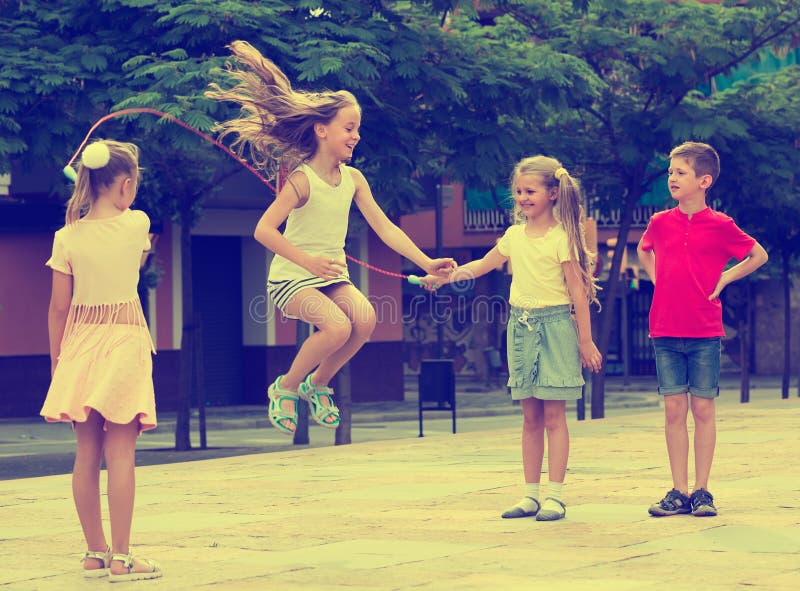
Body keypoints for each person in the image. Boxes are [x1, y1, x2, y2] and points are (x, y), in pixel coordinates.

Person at [207, 41, 455, 434]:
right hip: (291, 279)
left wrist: (426, 263)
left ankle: (317, 383)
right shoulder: (302, 180)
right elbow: (263, 230)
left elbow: (385, 227)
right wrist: (308, 262)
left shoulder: (353, 180)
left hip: (329, 276)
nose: (356, 136)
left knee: (365, 319)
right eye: (349, 128)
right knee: (337, 327)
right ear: (322, 130)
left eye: (358, 129)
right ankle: (285, 387)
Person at [421, 155, 602, 521]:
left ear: (553, 193)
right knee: (529, 416)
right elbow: (483, 265)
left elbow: (578, 293)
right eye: (518, 191)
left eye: (530, 191)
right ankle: (530, 495)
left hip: (555, 327)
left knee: (554, 415)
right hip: (519, 328)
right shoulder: (514, 235)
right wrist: (445, 276)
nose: (522, 197)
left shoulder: (562, 237)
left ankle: (556, 496)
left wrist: (585, 340)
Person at [41, 140, 162, 582]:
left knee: (86, 451)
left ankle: (94, 553)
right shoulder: (138, 224)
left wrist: (59, 361)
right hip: (124, 342)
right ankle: (123, 559)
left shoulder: (66, 237)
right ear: (127, 185)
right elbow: (137, 258)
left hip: (78, 346)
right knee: (122, 452)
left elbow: (58, 308)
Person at [638, 141, 768, 517]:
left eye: (680, 172)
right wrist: (656, 279)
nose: (672, 178)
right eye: (670, 173)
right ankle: (677, 490)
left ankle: (701, 491)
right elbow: (645, 250)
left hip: (705, 332)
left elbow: (758, 254)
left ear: (704, 180)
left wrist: (725, 278)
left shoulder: (721, 225)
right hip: (664, 330)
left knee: (704, 410)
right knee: (674, 410)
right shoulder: (660, 222)